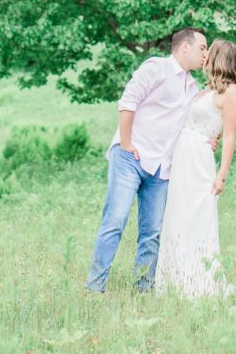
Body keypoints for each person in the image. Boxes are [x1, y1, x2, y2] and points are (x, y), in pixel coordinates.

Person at [84, 27, 209, 293]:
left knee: (151, 233)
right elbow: (128, 102)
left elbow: (192, 124)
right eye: (202, 48)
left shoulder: (192, 87)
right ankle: (94, 288)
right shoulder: (156, 68)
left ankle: (143, 290)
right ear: (184, 47)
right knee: (115, 222)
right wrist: (126, 143)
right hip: (131, 158)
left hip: (161, 169)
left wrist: (209, 138)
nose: (206, 54)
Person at [155, 39, 236, 298]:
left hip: (198, 160)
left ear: (220, 57)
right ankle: (174, 278)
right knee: (177, 214)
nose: (204, 55)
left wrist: (222, 177)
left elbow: (229, 136)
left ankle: (198, 281)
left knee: (196, 216)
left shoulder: (232, 92)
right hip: (182, 156)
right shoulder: (206, 89)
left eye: (209, 50)